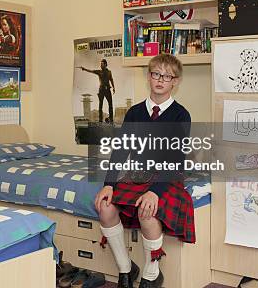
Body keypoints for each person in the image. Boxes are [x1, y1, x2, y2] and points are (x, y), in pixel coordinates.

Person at [94, 54, 194, 288]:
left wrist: (155, 192)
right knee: (105, 206)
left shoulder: (181, 115)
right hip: (137, 174)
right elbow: (120, 151)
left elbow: (176, 158)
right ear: (149, 77)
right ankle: (125, 270)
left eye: (167, 76)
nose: (160, 79)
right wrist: (109, 184)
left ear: (175, 82)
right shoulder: (135, 113)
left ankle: (151, 275)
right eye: (156, 74)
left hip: (166, 177)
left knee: (147, 211)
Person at [80, 59, 115, 123]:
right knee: (100, 105)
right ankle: (100, 120)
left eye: (102, 64)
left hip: (107, 90)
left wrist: (113, 87)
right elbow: (91, 71)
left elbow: (111, 79)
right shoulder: (99, 71)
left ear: (105, 64)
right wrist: (84, 69)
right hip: (101, 90)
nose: (100, 65)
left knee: (110, 105)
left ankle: (111, 119)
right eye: (100, 64)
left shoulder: (109, 72)